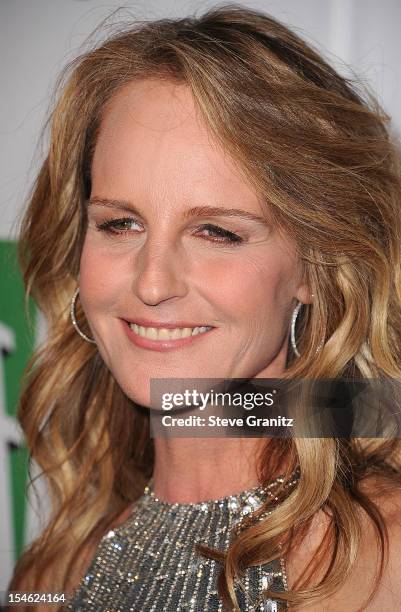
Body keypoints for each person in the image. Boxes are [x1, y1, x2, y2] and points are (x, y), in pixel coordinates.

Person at [7, 4, 401, 611]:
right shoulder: (54, 570)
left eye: (216, 232)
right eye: (120, 223)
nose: (153, 283)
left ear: (315, 269)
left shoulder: (379, 555)